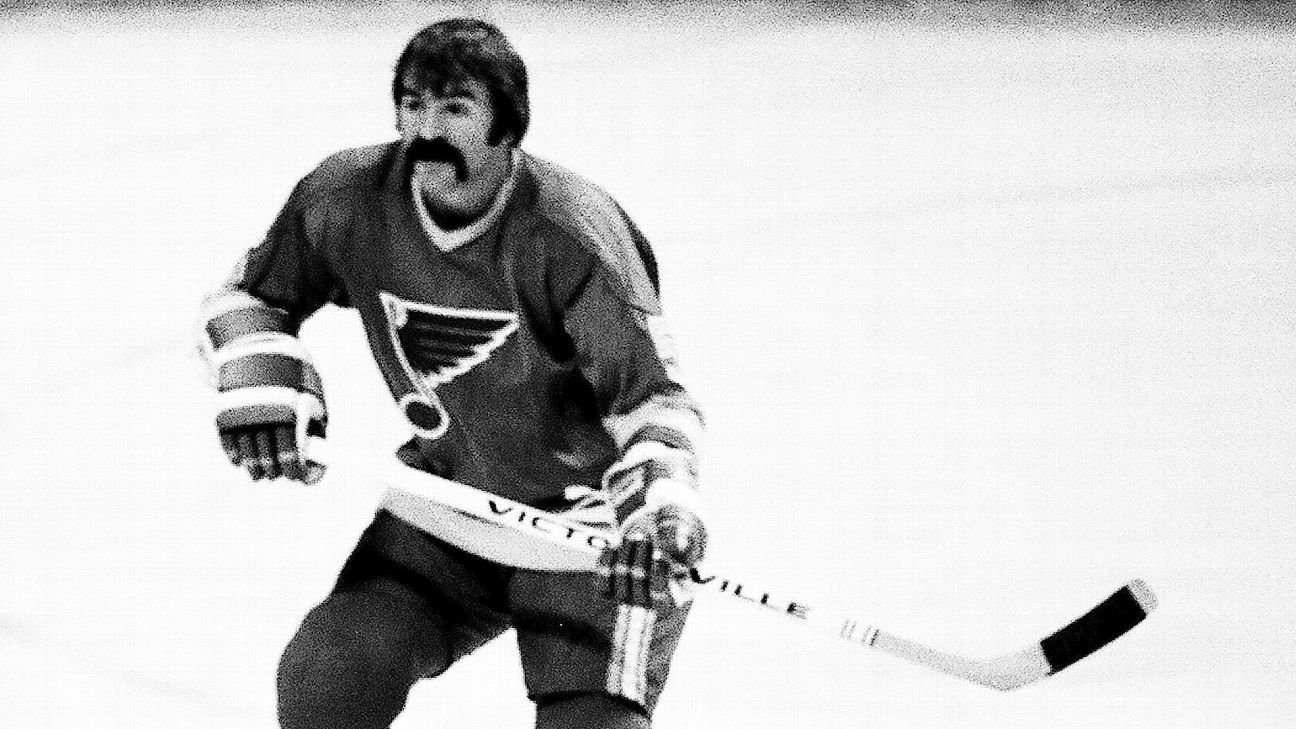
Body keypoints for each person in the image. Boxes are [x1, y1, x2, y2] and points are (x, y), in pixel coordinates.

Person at [196, 17, 707, 729]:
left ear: (508, 127)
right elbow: (252, 294)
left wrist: (660, 512)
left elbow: (652, 397)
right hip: (443, 506)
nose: (427, 130)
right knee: (328, 673)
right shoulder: (348, 197)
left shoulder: (571, 234)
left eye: (456, 109)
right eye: (413, 104)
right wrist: (263, 378)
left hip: (588, 538)